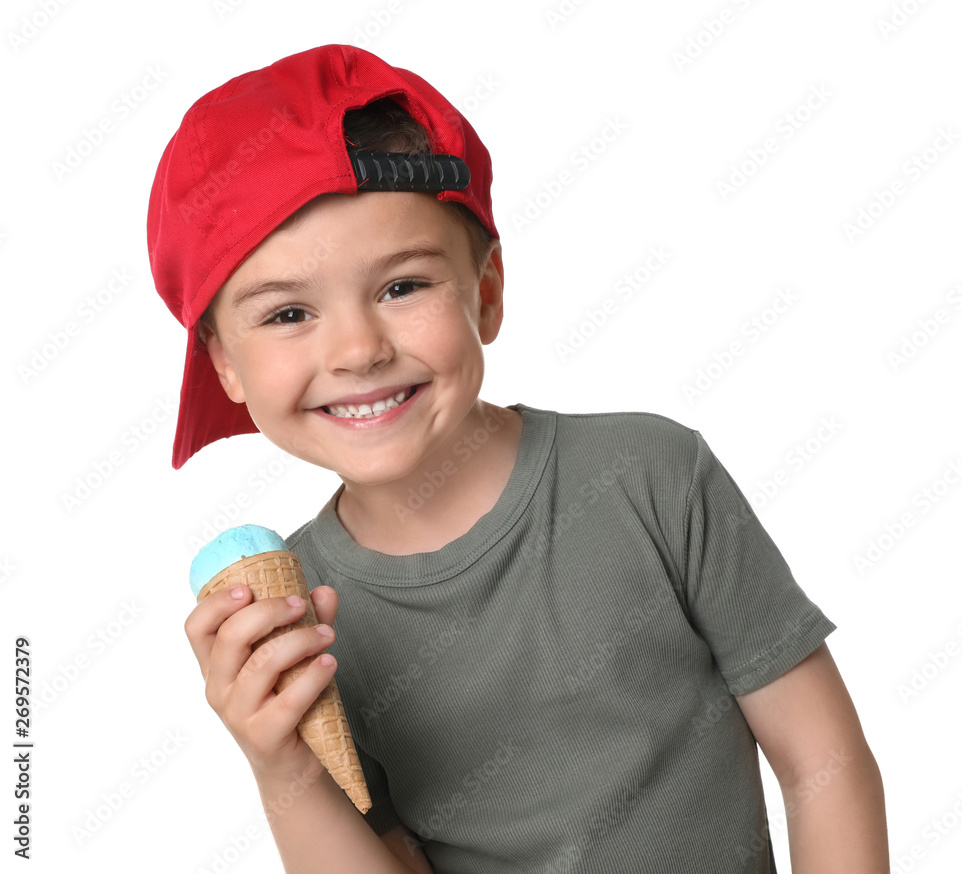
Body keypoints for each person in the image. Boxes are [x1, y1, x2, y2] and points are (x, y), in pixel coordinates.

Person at [148, 44, 889, 873]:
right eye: (288, 313)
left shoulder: (653, 477)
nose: (357, 349)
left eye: (402, 287)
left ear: (487, 292)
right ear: (223, 364)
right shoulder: (307, 628)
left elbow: (823, 763)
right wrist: (281, 764)